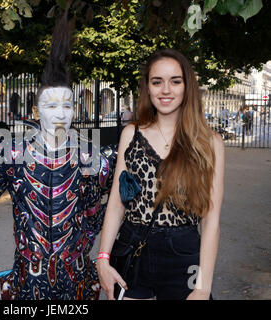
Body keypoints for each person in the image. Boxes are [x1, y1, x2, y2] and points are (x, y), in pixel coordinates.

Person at [0, 4, 117, 300]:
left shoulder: (91, 158)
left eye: (67, 105)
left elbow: (100, 211)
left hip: (76, 278)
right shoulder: (13, 155)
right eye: (52, 106)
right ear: (37, 109)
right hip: (28, 278)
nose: (61, 114)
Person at [96, 48, 224, 300]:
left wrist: (202, 287)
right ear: (148, 88)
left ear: (187, 86)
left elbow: (211, 220)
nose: (166, 90)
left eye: (175, 81)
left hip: (183, 254)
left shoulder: (210, 143)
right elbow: (116, 203)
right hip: (132, 249)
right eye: (157, 82)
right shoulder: (131, 135)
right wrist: (102, 260)